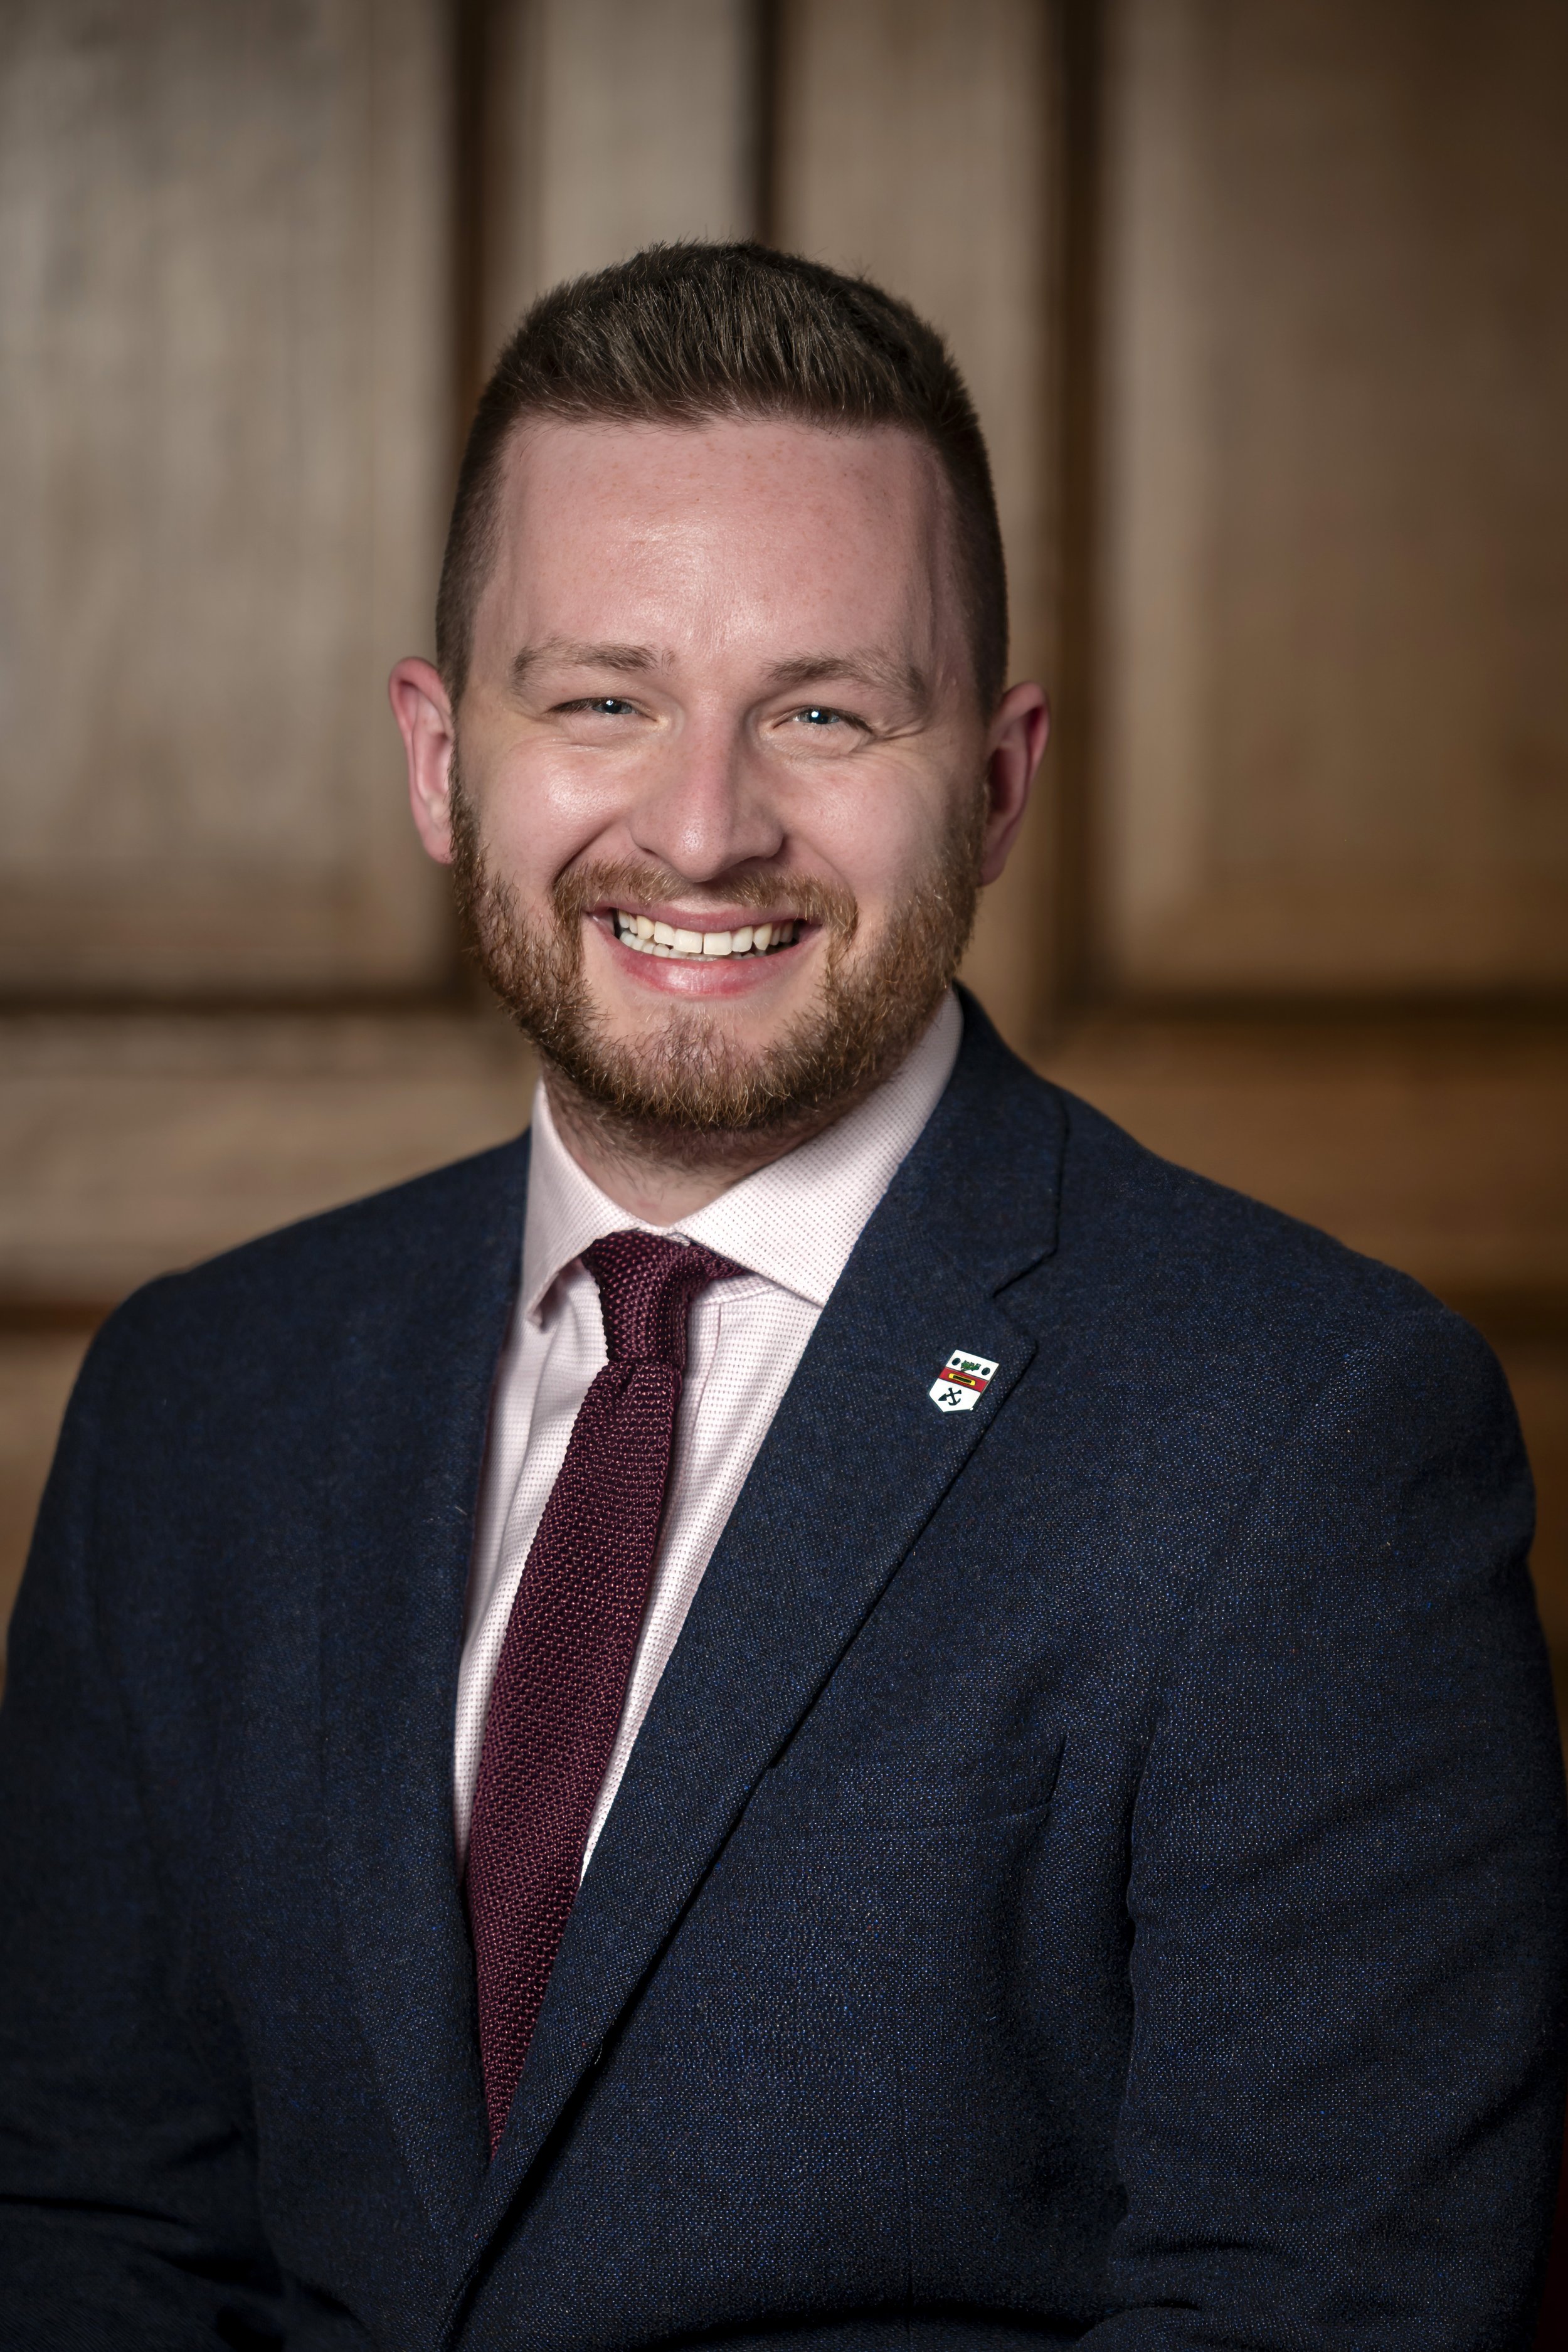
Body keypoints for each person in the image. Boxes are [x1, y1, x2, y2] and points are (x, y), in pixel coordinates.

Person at [1, 241, 1563, 2352]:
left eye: (824, 711)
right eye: (602, 700)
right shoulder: (199, 1398)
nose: (706, 826)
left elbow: (1318, 2313)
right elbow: (87, 2228)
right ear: (441, 755)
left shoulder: (1310, 1432)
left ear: (996, 783)